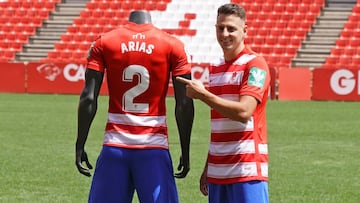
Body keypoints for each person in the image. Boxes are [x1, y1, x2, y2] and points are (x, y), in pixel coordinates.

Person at [75, 10, 194, 203]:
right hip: (154, 148)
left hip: (114, 148)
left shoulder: (104, 42)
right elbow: (184, 104)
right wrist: (185, 151)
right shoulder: (173, 45)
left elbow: (88, 98)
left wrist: (80, 144)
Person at [176, 3, 270, 203]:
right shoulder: (216, 68)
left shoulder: (255, 64)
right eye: (220, 28)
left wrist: (203, 95)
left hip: (247, 169)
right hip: (218, 172)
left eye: (231, 28)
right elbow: (219, 126)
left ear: (245, 31)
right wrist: (208, 167)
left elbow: (245, 111)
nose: (224, 34)